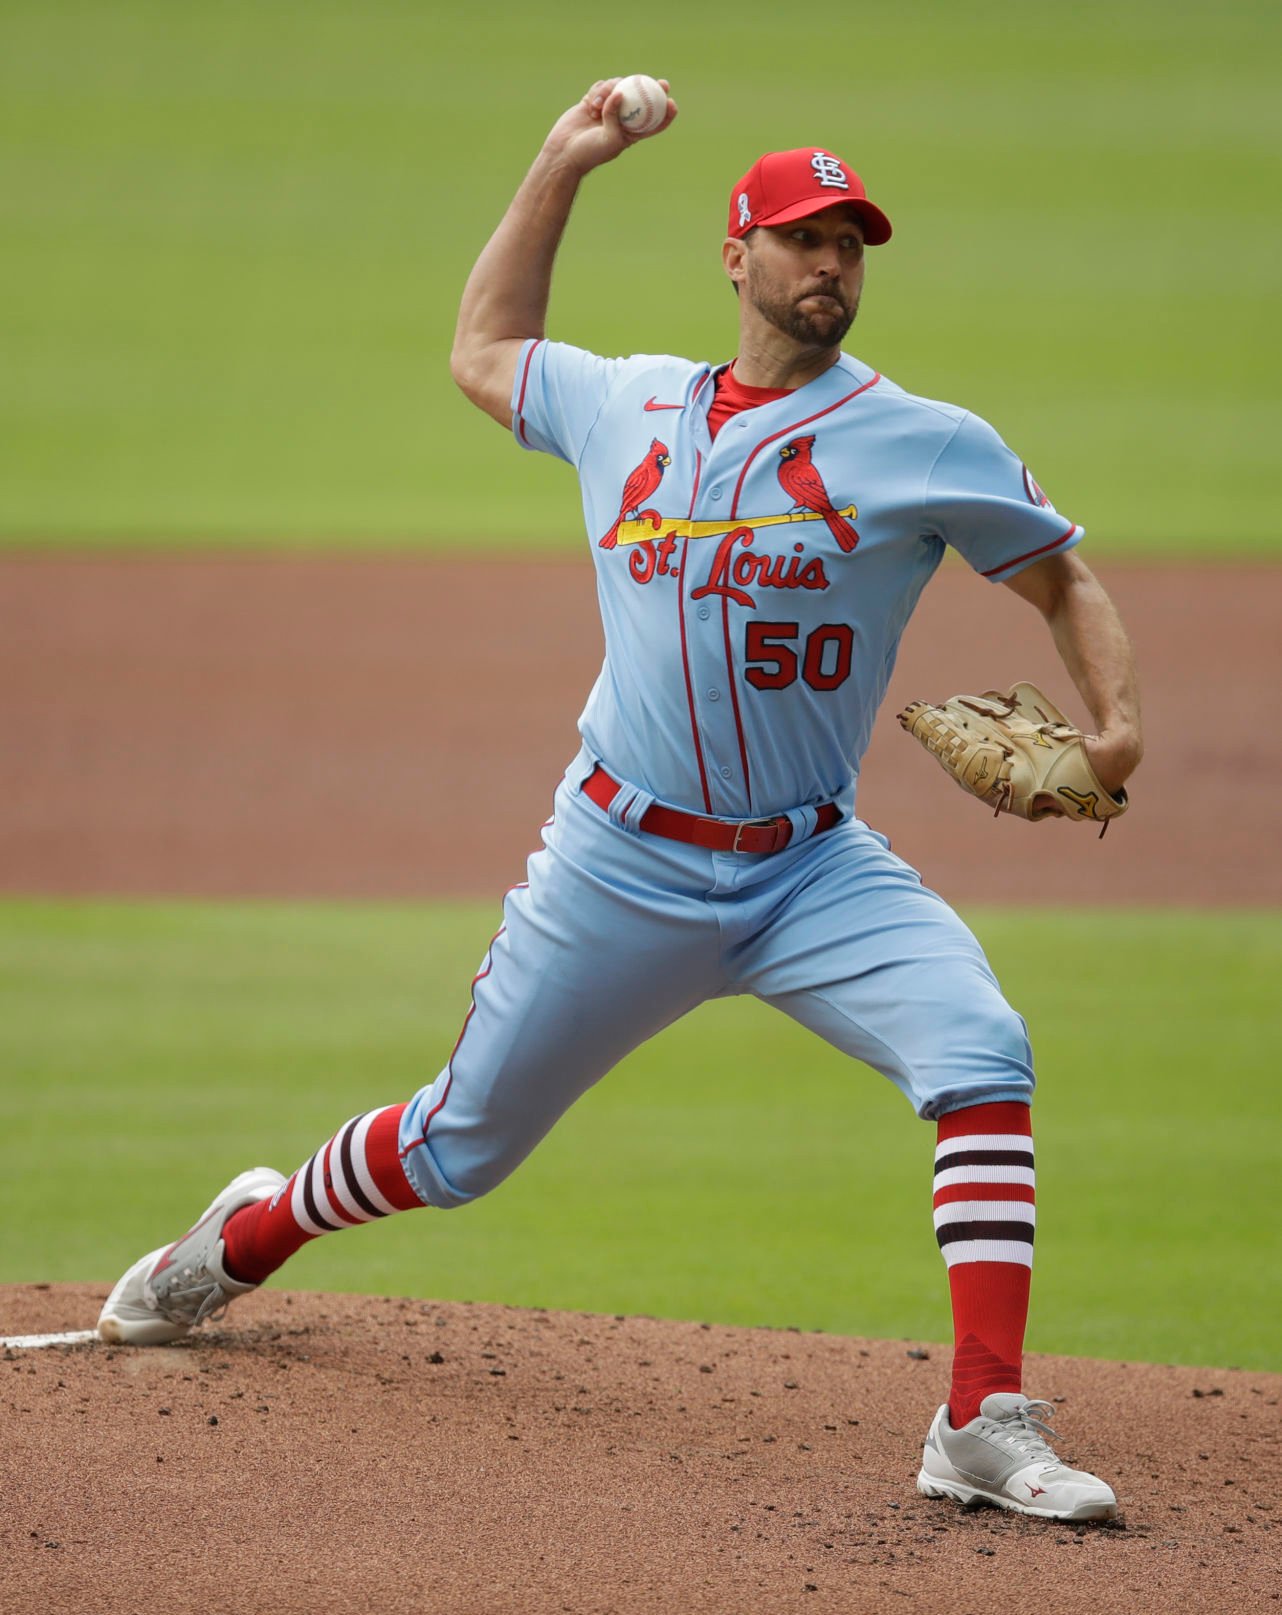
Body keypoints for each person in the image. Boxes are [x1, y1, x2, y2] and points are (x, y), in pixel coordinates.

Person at [99, 78, 1143, 1523]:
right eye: (801, 238)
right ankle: (240, 1239)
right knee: (457, 1146)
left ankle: (979, 1419)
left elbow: (1059, 576)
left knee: (981, 1049)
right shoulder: (624, 401)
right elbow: (484, 347)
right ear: (739, 256)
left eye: (851, 242)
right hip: (618, 864)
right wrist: (562, 160)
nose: (830, 264)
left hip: (809, 872)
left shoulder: (924, 440)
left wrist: (1116, 732)